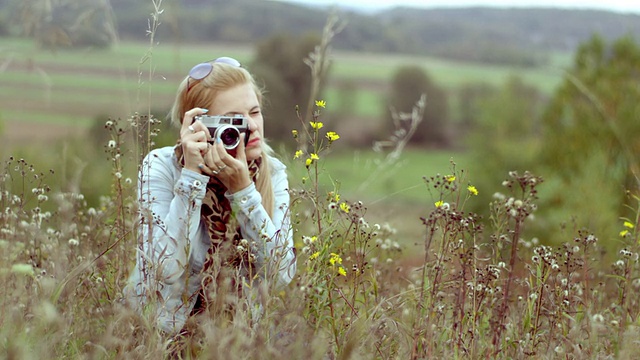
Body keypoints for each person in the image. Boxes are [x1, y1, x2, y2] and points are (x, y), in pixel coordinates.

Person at [125, 57, 297, 335]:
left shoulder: (272, 173)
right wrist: (193, 176)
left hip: (236, 340)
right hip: (160, 335)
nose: (251, 127)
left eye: (254, 112)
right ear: (198, 126)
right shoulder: (162, 167)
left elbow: (281, 275)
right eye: (234, 120)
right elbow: (164, 272)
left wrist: (243, 191)